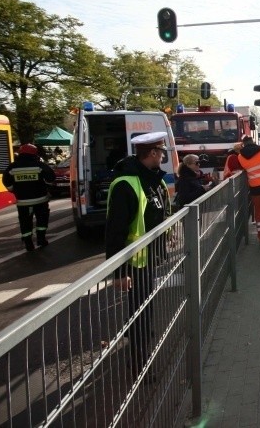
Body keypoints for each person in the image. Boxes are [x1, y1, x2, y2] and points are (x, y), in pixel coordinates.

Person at [104, 131, 172, 377]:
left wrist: (168, 233)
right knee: (140, 314)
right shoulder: (126, 184)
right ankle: (139, 366)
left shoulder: (153, 179)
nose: (163, 156)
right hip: (134, 264)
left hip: (149, 258)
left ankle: (140, 343)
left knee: (145, 311)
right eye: (162, 152)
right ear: (153, 153)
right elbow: (115, 232)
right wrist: (120, 272)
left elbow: (160, 212)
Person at [1, 143, 55, 252]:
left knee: (25, 221)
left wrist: (14, 190)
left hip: (23, 202)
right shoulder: (39, 165)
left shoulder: (12, 167)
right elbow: (50, 177)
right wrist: (47, 188)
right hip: (40, 199)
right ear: (34, 154)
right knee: (41, 220)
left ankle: (28, 244)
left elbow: (6, 181)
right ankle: (41, 239)